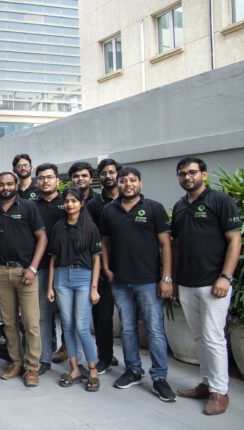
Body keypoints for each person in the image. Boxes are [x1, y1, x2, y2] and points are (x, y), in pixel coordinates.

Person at [171, 157, 241, 415]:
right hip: (187, 283)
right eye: (182, 174)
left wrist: (226, 277)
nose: (187, 177)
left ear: (204, 174)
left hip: (214, 283)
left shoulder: (220, 201)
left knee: (213, 337)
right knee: (200, 337)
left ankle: (220, 392)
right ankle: (206, 383)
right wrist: (174, 279)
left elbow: (235, 240)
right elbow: (177, 246)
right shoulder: (180, 206)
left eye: (192, 172)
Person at [99, 167, 176, 402]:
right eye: (123, 181)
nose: (128, 184)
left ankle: (159, 377)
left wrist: (166, 278)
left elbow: (166, 244)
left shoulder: (154, 208)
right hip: (120, 281)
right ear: (118, 184)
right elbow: (104, 242)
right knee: (127, 329)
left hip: (148, 281)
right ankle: (133, 370)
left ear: (140, 183)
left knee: (154, 330)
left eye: (132, 180)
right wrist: (106, 268)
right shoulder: (109, 210)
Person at [0, 172, 47, 386]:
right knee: (9, 323)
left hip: (25, 273)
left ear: (16, 185)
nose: (6, 188)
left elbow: (42, 238)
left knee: (31, 323)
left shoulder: (28, 207)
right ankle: (16, 362)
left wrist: (33, 268)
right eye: (1, 184)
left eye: (10, 184)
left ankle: (32, 368)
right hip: (2, 273)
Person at [46, 187, 102, 392]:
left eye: (74, 201)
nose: (70, 204)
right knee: (67, 325)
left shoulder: (90, 228)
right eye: (67, 201)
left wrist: (94, 287)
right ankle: (75, 368)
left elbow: (96, 260)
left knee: (82, 326)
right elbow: (52, 259)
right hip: (61, 278)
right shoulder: (58, 227)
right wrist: (50, 286)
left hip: (83, 278)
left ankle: (92, 369)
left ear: (81, 203)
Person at [85, 159, 122, 374]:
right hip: (102, 267)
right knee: (103, 316)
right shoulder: (93, 205)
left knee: (130, 318)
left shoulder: (133, 200)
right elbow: (92, 237)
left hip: (131, 267)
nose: (108, 176)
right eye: (104, 173)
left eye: (112, 172)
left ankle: (133, 364)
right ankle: (105, 356)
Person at [32, 163, 65, 374]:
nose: (46, 181)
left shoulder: (68, 202)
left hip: (68, 267)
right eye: (42, 178)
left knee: (70, 317)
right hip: (41, 267)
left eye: (50, 177)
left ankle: (75, 359)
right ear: (37, 182)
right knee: (42, 315)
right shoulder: (31, 205)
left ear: (57, 180)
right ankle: (44, 358)